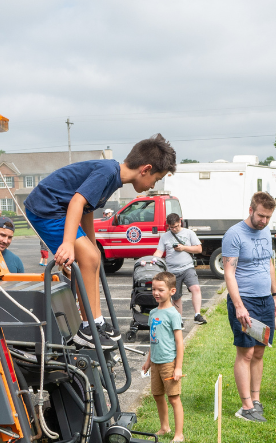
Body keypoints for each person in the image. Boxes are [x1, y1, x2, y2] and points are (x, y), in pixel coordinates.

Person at [24, 135, 175, 349]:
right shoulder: (108, 172)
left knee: (93, 256)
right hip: (46, 209)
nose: (153, 184)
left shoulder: (113, 176)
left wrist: (91, 243)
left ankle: (96, 321)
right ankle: (87, 329)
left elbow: (87, 208)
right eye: (156, 179)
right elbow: (77, 201)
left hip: (60, 209)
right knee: (90, 257)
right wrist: (68, 244)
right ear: (146, 169)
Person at [223, 191, 276, 423]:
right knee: (245, 353)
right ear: (251, 210)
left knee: (259, 351)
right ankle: (245, 407)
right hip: (245, 301)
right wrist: (239, 306)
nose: (264, 221)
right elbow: (229, 272)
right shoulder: (234, 234)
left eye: (268, 217)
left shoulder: (265, 231)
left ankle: (255, 400)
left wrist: (275, 295)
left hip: (265, 299)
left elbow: (269, 263)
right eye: (261, 216)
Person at [140, 272, 185, 443]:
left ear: (172, 291)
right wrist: (148, 361)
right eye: (154, 289)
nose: (156, 293)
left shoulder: (173, 314)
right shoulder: (152, 313)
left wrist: (178, 367)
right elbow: (153, 339)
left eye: (161, 290)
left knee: (173, 397)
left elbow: (180, 343)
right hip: (156, 363)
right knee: (158, 395)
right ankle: (165, 427)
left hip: (168, 362)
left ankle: (179, 434)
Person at [154, 212, 207, 324]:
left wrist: (183, 248)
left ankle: (197, 315)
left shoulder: (189, 233)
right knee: (176, 297)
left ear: (180, 222)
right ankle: (179, 320)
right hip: (172, 271)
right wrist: (153, 260)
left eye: (176, 226)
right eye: (171, 227)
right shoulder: (165, 236)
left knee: (195, 288)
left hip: (187, 267)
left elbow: (199, 249)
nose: (174, 229)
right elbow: (159, 251)